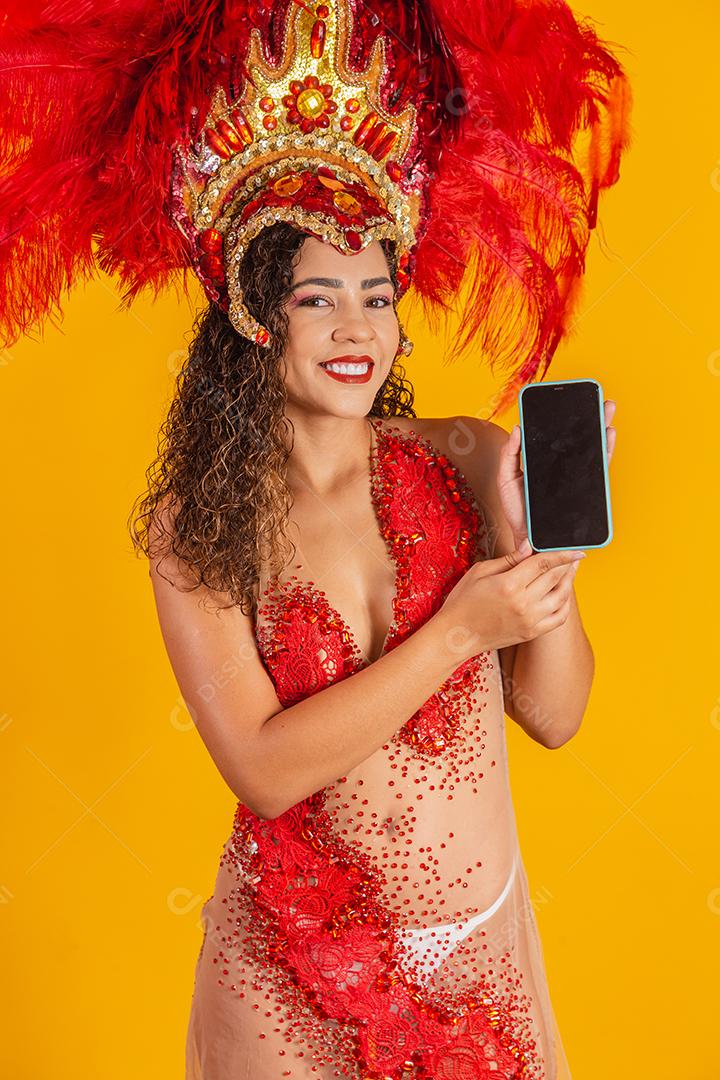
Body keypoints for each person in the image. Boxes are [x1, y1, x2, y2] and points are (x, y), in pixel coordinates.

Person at [0, 0, 629, 1075]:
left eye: (378, 298)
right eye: (319, 297)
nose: (358, 332)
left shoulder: (468, 458)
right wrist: (457, 631)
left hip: (480, 967)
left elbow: (557, 715)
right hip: (292, 987)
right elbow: (263, 769)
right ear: (257, 313)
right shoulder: (198, 523)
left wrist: (540, 560)